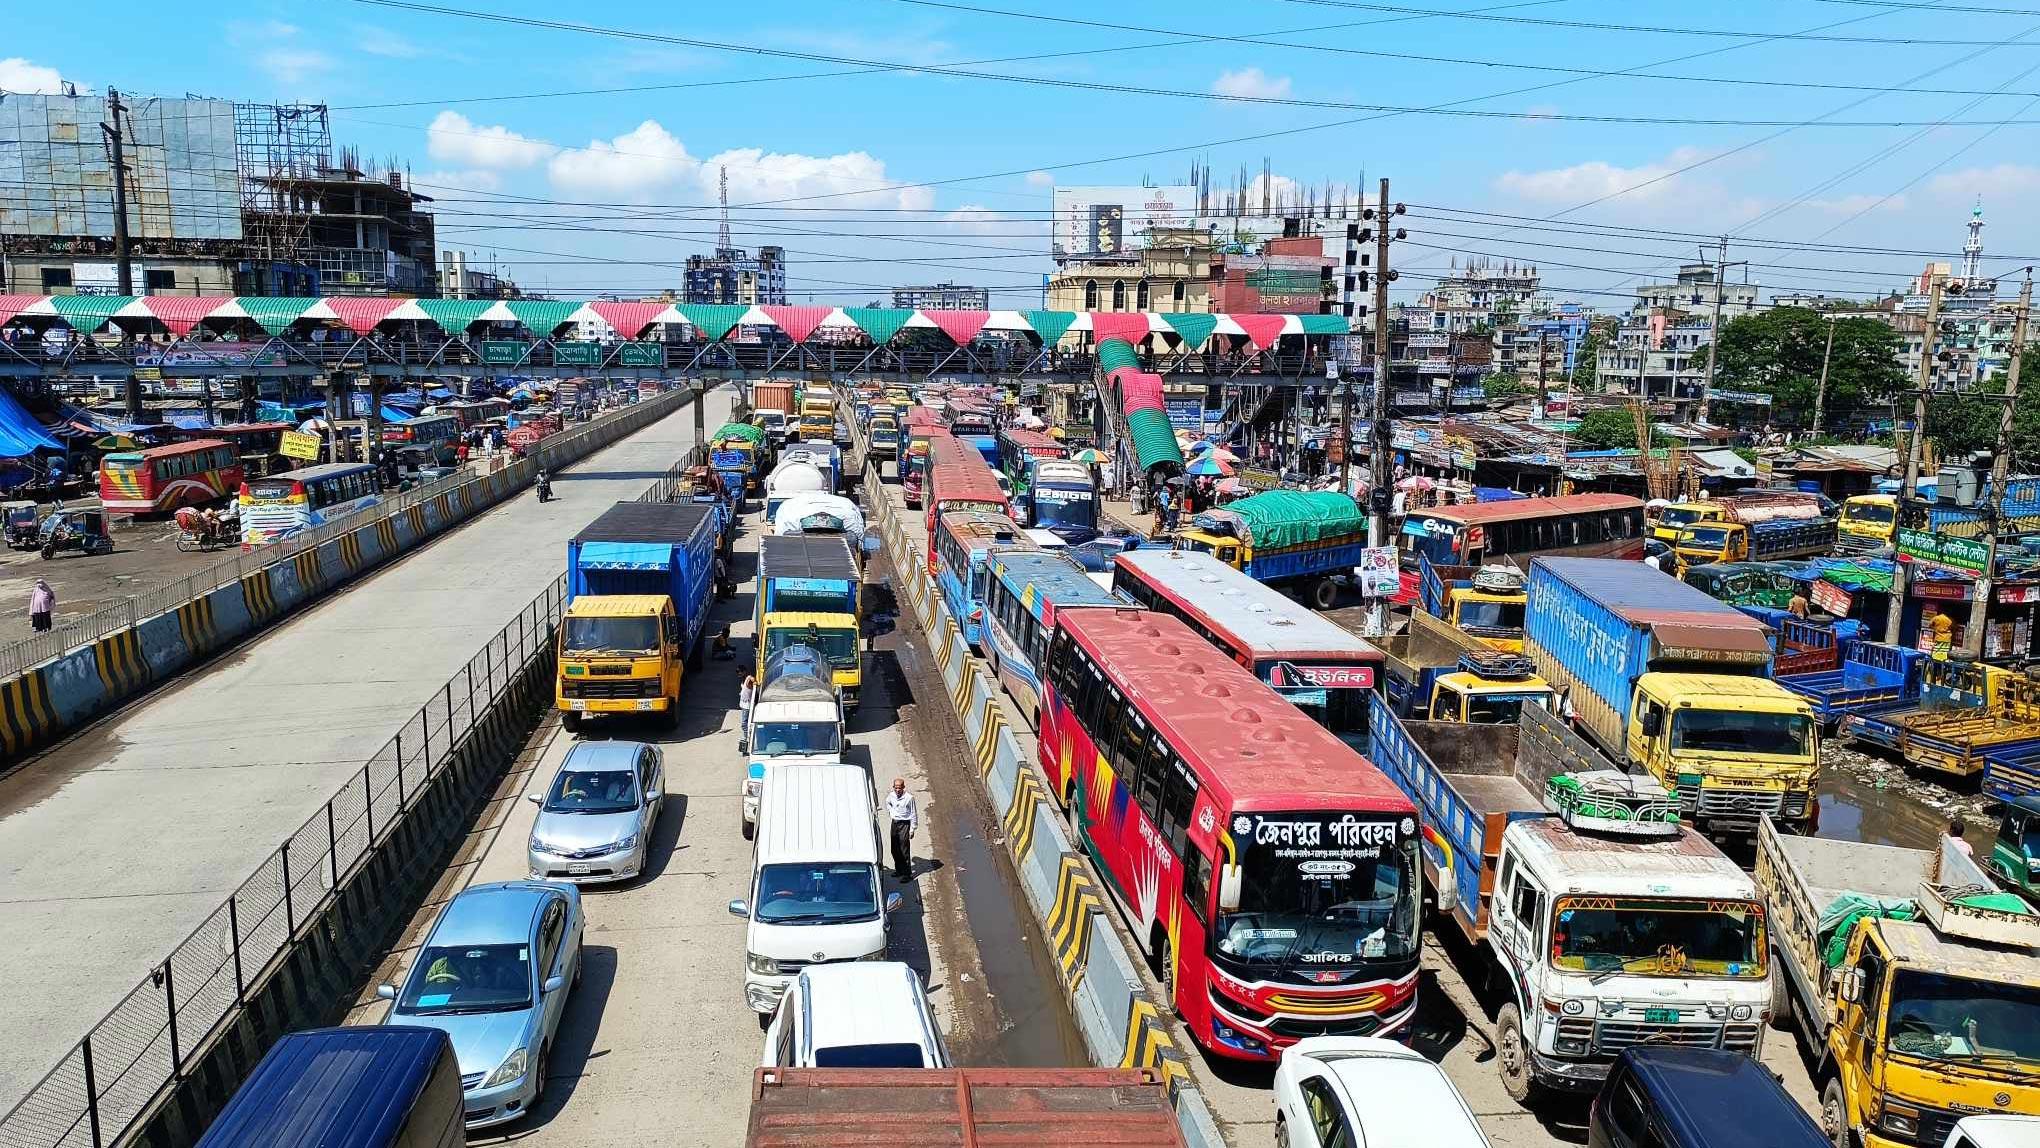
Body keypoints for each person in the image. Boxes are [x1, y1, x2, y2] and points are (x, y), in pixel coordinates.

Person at [886, 777, 919, 883]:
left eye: (899, 788)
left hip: (904, 824)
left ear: (903, 787)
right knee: (894, 849)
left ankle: (907, 874)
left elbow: (913, 813)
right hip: (894, 823)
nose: (897, 790)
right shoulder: (891, 796)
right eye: (896, 788)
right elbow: (888, 803)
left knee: (904, 850)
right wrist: (891, 812)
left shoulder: (909, 798)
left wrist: (912, 829)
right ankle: (899, 870)